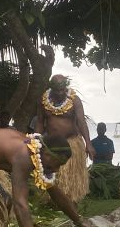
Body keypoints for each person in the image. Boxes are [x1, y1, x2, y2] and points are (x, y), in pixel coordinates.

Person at [35, 75, 95, 203]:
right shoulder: (44, 101)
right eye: (57, 90)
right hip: (51, 146)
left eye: (63, 89)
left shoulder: (74, 100)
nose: (61, 92)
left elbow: (81, 122)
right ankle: (52, 201)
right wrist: (35, 140)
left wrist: (88, 144)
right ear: (51, 88)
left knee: (71, 177)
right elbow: (40, 122)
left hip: (71, 143)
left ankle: (71, 201)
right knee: (53, 174)